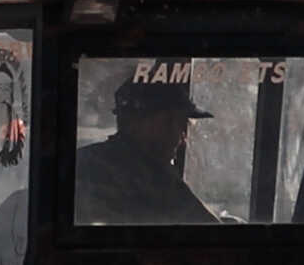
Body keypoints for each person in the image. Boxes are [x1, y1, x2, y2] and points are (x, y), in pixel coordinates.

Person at [77, 72, 217, 226]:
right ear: (135, 123)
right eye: (174, 123)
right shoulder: (154, 179)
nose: (182, 137)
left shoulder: (84, 162)